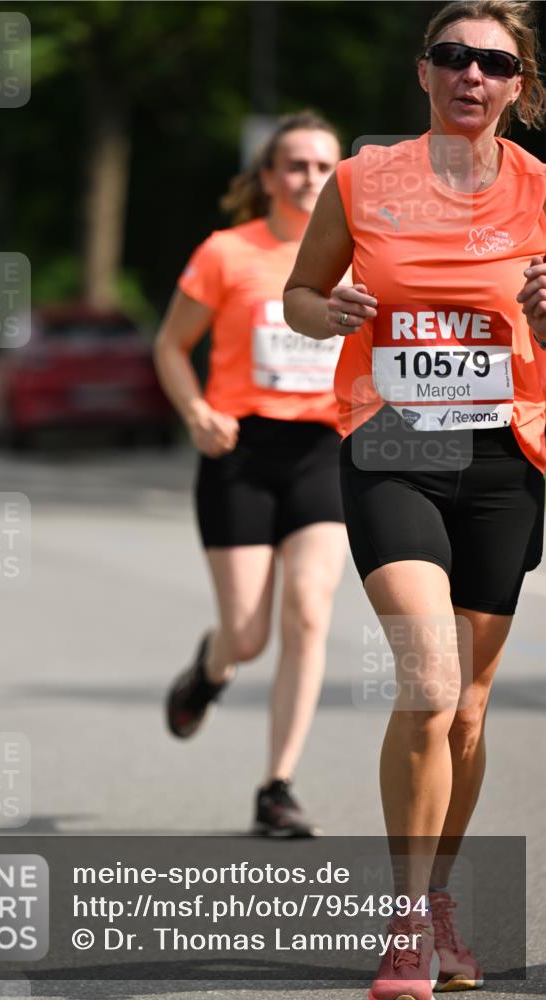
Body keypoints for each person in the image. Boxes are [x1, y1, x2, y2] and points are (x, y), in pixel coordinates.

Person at [283, 1, 545, 996]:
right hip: (391, 443)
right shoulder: (360, 181)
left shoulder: (541, 191)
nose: (470, 74)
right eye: (452, 56)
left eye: (493, 62)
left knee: (469, 710)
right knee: (431, 681)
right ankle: (404, 924)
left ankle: (437, 906)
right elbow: (298, 296)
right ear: (422, 73)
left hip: (501, 454)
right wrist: (329, 307)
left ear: (516, 90)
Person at [154, 111, 348, 837]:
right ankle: (209, 671)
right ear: (267, 177)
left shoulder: (357, 258)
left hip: (322, 451)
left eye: (324, 165)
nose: (310, 178)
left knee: (308, 608)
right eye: (295, 165)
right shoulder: (224, 253)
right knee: (246, 637)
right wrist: (195, 410)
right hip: (236, 451)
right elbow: (170, 346)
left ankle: (276, 787)